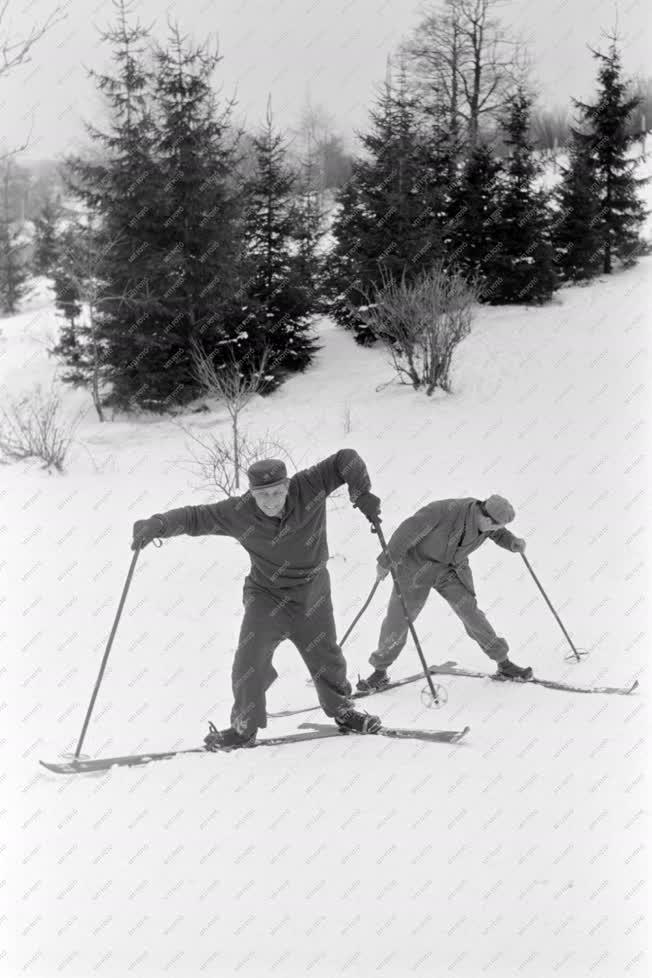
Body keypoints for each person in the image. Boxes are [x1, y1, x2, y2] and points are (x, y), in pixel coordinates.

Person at [131, 449, 383, 749]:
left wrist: (360, 491)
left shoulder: (310, 486)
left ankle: (343, 712)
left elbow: (346, 459)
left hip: (312, 590)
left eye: (277, 492)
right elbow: (195, 517)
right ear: (251, 493)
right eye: (263, 495)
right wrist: (158, 524)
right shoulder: (239, 512)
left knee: (326, 656)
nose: (272, 501)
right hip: (267, 596)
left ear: (289, 485)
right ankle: (243, 729)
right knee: (249, 659)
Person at [358, 494, 533, 691]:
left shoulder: (487, 521)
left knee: (470, 612)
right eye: (494, 526)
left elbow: (497, 533)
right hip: (416, 567)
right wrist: (385, 561)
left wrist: (511, 542)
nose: (495, 531)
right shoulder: (442, 511)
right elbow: (406, 532)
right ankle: (380, 671)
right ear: (485, 517)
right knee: (399, 618)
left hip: (451, 569)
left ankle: (503, 662)